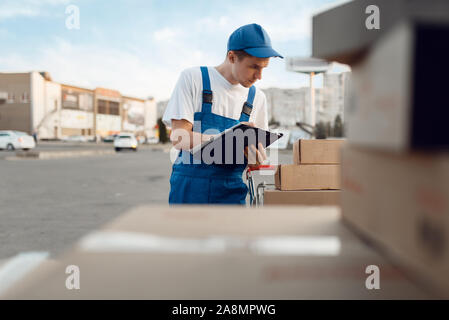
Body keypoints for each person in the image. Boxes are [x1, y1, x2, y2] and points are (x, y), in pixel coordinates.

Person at [162, 23, 283, 204]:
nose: (259, 76)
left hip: (231, 192)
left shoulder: (257, 98)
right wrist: (223, 140)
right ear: (232, 57)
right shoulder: (194, 79)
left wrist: (256, 160)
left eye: (264, 68)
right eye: (254, 67)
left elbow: (255, 161)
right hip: (189, 190)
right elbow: (179, 137)